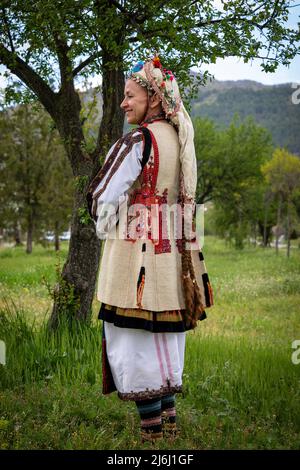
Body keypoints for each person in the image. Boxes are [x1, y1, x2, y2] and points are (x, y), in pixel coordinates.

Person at [87, 55, 213, 444]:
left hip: (137, 259)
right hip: (174, 258)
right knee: (164, 341)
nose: (124, 103)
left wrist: (107, 221)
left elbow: (102, 197)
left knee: (136, 342)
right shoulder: (180, 139)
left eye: (130, 96)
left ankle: (153, 438)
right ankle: (169, 427)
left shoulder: (138, 140)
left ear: (153, 99)